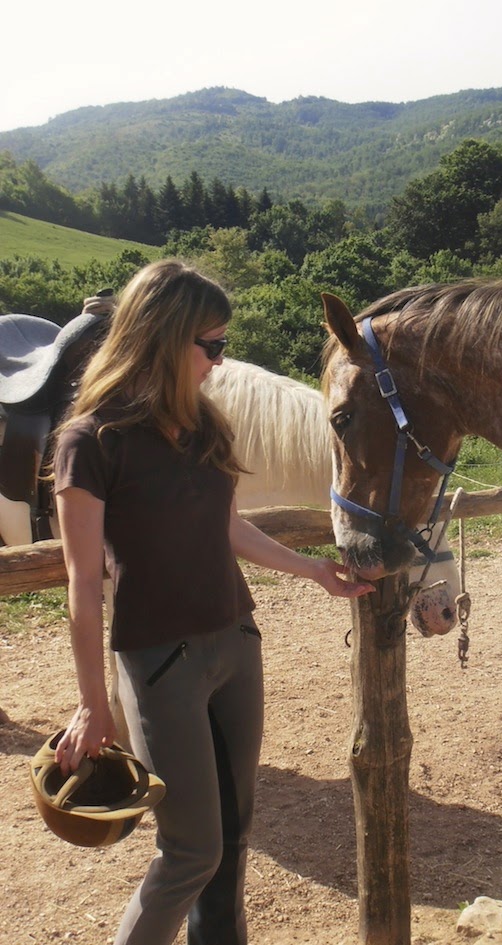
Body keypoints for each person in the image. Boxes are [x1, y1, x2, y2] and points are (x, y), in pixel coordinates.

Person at [51, 259, 373, 945]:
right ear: (166, 338)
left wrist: (312, 571)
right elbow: (81, 583)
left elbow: (227, 527)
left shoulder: (204, 427)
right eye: (212, 345)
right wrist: (92, 701)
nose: (219, 361)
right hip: (159, 662)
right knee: (190, 852)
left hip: (236, 643)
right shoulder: (90, 442)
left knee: (231, 835)